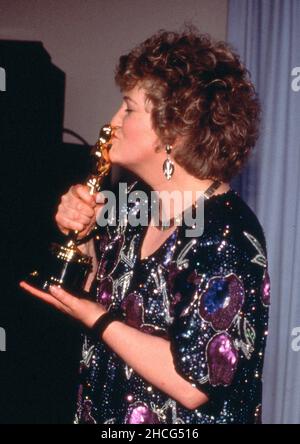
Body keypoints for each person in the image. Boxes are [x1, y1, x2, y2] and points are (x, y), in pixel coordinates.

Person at [20, 28, 270, 424]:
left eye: (128, 108)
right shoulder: (132, 206)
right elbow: (103, 296)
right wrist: (80, 236)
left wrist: (93, 316)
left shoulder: (226, 232)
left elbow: (194, 384)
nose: (112, 121)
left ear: (172, 129)